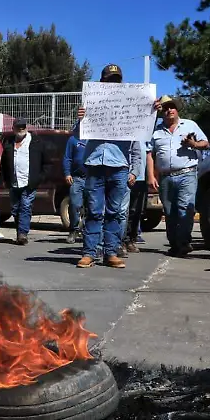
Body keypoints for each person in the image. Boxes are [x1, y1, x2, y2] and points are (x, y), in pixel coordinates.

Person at [75, 64, 143, 269]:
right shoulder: (91, 103)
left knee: (114, 212)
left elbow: (138, 138)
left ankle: (111, 252)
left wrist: (151, 110)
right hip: (95, 164)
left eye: (116, 80)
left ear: (120, 83)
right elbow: (77, 136)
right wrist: (80, 120)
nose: (112, 84)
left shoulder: (130, 107)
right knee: (94, 211)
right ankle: (89, 253)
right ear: (101, 83)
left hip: (119, 166)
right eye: (108, 80)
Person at [147, 95, 210, 257]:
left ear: (177, 109)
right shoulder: (155, 130)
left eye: (172, 107)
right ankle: (174, 244)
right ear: (161, 112)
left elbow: (206, 143)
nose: (169, 110)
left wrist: (193, 144)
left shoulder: (190, 125)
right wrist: (151, 176)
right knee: (169, 212)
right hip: (165, 177)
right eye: (165, 108)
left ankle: (183, 242)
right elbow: (149, 154)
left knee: (185, 209)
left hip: (187, 174)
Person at [0, 118, 53, 245]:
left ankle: (23, 233)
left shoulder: (36, 141)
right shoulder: (9, 142)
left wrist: (39, 178)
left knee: (25, 207)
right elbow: (4, 163)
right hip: (14, 182)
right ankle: (20, 231)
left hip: (29, 183)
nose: (21, 129)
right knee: (15, 209)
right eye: (18, 127)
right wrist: (5, 179)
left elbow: (47, 163)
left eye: (23, 126)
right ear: (13, 129)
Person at [121, 134, 149, 255]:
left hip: (140, 177)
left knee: (136, 211)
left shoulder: (145, 135)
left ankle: (131, 239)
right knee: (122, 211)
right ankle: (121, 241)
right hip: (124, 176)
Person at [63, 120, 89, 244]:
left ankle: (86, 231)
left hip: (92, 179)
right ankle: (73, 230)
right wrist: (67, 173)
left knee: (91, 207)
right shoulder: (73, 140)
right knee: (74, 204)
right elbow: (67, 158)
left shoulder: (93, 140)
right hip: (77, 178)